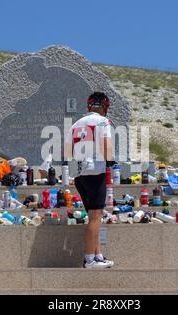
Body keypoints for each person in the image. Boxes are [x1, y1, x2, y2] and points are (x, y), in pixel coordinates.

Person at [64, 92, 115, 269]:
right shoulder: (102, 121)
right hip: (95, 172)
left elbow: (68, 152)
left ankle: (98, 255)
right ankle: (89, 259)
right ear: (103, 106)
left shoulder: (76, 124)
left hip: (79, 175)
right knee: (95, 217)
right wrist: (110, 161)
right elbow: (106, 143)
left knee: (95, 217)